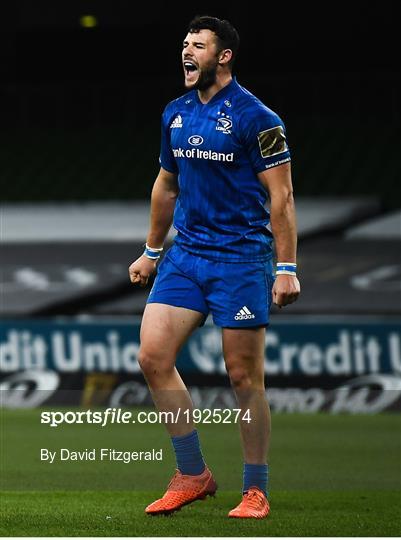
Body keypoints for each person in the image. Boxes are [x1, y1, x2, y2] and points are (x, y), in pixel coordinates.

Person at [129, 15, 300, 519]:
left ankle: (256, 488)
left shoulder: (258, 118)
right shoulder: (175, 113)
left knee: (243, 377)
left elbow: (282, 196)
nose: (187, 51)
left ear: (223, 56)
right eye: (184, 43)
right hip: (186, 256)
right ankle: (193, 474)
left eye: (198, 45)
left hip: (241, 258)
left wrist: (286, 266)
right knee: (151, 356)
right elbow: (166, 184)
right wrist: (152, 251)